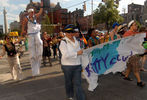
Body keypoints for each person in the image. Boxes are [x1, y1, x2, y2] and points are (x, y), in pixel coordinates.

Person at [59, 24, 85, 100]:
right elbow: (66, 55)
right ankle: (70, 96)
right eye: (68, 32)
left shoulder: (77, 40)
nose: (70, 34)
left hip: (77, 65)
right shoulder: (63, 42)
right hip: (67, 66)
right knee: (69, 82)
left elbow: (80, 52)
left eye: (71, 32)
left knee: (78, 84)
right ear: (65, 33)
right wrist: (77, 53)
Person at [21, 0, 43, 77]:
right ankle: (34, 72)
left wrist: (42, 5)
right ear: (29, 13)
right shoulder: (26, 18)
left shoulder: (35, 16)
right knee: (32, 53)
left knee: (40, 43)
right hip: (30, 34)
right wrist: (23, 31)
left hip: (36, 33)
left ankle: (39, 53)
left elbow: (40, 12)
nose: (32, 13)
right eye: (31, 12)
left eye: (33, 12)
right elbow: (23, 25)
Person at [123, 20, 145, 87]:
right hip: (131, 53)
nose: (136, 26)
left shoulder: (137, 33)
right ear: (131, 26)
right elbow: (125, 44)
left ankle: (126, 76)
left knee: (129, 66)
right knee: (136, 68)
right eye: (135, 25)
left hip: (135, 52)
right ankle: (139, 82)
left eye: (136, 25)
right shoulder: (127, 34)